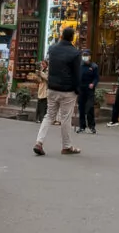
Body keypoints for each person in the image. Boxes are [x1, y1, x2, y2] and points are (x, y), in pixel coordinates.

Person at [33, 26, 82, 157]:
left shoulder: (52, 49)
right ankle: (66, 146)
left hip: (52, 87)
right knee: (65, 118)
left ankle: (39, 142)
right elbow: (77, 74)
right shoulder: (75, 53)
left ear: (61, 36)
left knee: (49, 115)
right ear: (72, 37)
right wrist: (78, 89)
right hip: (68, 90)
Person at [77, 49, 99, 134]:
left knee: (90, 107)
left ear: (90, 57)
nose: (85, 57)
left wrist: (93, 83)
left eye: (86, 55)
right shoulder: (80, 65)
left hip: (90, 89)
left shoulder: (94, 66)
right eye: (84, 55)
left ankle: (92, 126)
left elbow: (96, 78)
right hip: (81, 88)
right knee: (81, 108)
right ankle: (82, 126)